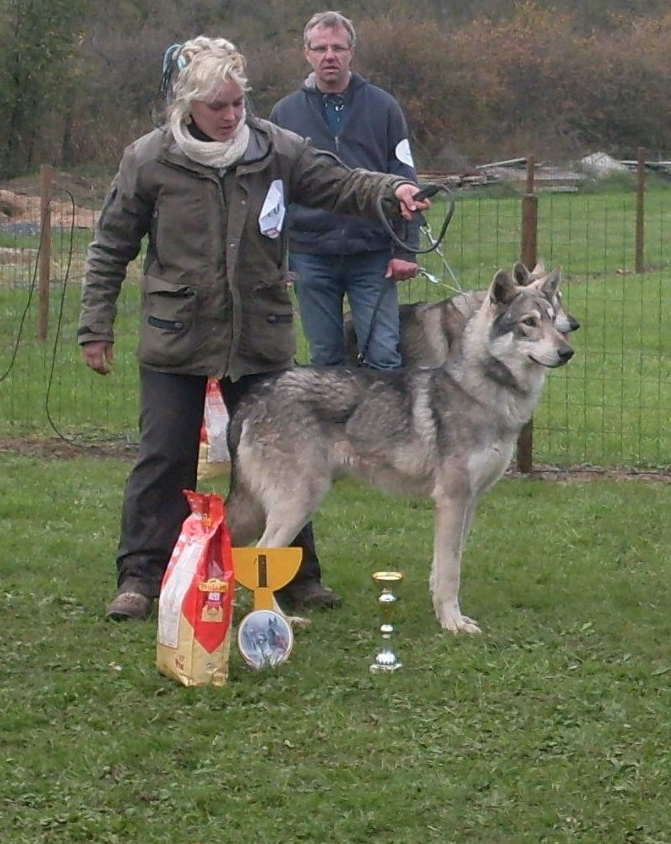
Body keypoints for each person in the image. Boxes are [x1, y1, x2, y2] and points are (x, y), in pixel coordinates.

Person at [79, 35, 430, 620]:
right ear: (188, 103)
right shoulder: (147, 159)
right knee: (162, 459)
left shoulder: (275, 148)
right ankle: (141, 579)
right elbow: (110, 246)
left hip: (259, 338)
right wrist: (97, 326)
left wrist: (392, 191)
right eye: (218, 106)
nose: (231, 116)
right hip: (178, 337)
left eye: (238, 103)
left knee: (291, 458)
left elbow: (338, 182)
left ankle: (298, 579)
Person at [268, 10, 421, 370]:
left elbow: (406, 180)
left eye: (338, 47)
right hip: (310, 254)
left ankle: (381, 428)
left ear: (352, 51)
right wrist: (276, 258)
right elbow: (273, 192)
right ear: (306, 53)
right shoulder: (284, 114)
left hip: (372, 254)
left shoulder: (384, 108)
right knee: (326, 361)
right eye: (320, 48)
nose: (329, 56)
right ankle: (334, 428)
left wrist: (406, 250)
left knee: (383, 356)